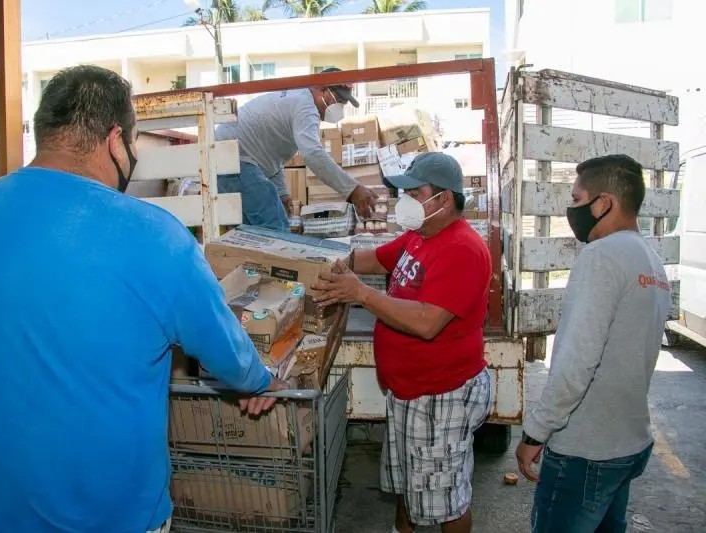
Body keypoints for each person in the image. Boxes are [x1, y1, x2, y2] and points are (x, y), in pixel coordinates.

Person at [0, 65, 287, 533]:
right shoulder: (153, 233)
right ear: (116, 140)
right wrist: (260, 381)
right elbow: (229, 356)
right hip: (103, 515)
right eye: (135, 142)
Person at [313, 152, 493, 533]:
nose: (404, 199)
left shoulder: (463, 249)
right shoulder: (418, 235)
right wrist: (325, 257)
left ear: (443, 199)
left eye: (414, 191)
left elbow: (428, 323)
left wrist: (360, 294)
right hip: (408, 392)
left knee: (445, 498)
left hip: (441, 396)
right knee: (408, 482)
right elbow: (376, 260)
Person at [516, 154, 672, 532]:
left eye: (576, 198)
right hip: (627, 444)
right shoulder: (651, 260)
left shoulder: (600, 257)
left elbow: (575, 361)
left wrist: (536, 432)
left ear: (603, 203)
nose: (571, 209)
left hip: (586, 450)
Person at [215, 67, 378, 231]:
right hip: (233, 157)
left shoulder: (297, 100)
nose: (340, 107)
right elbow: (313, 154)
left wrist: (282, 193)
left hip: (231, 156)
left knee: (254, 232)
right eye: (338, 100)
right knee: (274, 227)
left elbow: (273, 156)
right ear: (322, 89)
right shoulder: (306, 107)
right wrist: (353, 189)